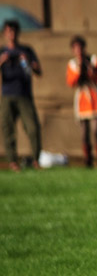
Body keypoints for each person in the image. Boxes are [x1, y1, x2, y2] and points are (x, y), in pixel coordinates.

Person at [1, 20, 42, 170]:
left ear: (18, 33)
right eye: (8, 31)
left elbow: (38, 71)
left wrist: (28, 62)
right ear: (5, 33)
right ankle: (12, 162)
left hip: (24, 94)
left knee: (32, 128)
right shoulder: (2, 52)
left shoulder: (26, 50)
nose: (11, 34)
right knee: (8, 129)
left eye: (14, 31)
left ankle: (36, 160)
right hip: (7, 94)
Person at [66, 35, 97, 168]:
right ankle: (88, 159)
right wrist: (79, 69)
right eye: (75, 48)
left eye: (80, 47)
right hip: (82, 97)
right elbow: (71, 82)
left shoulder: (93, 60)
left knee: (96, 129)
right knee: (84, 132)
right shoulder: (72, 64)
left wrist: (91, 71)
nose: (78, 50)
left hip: (94, 95)